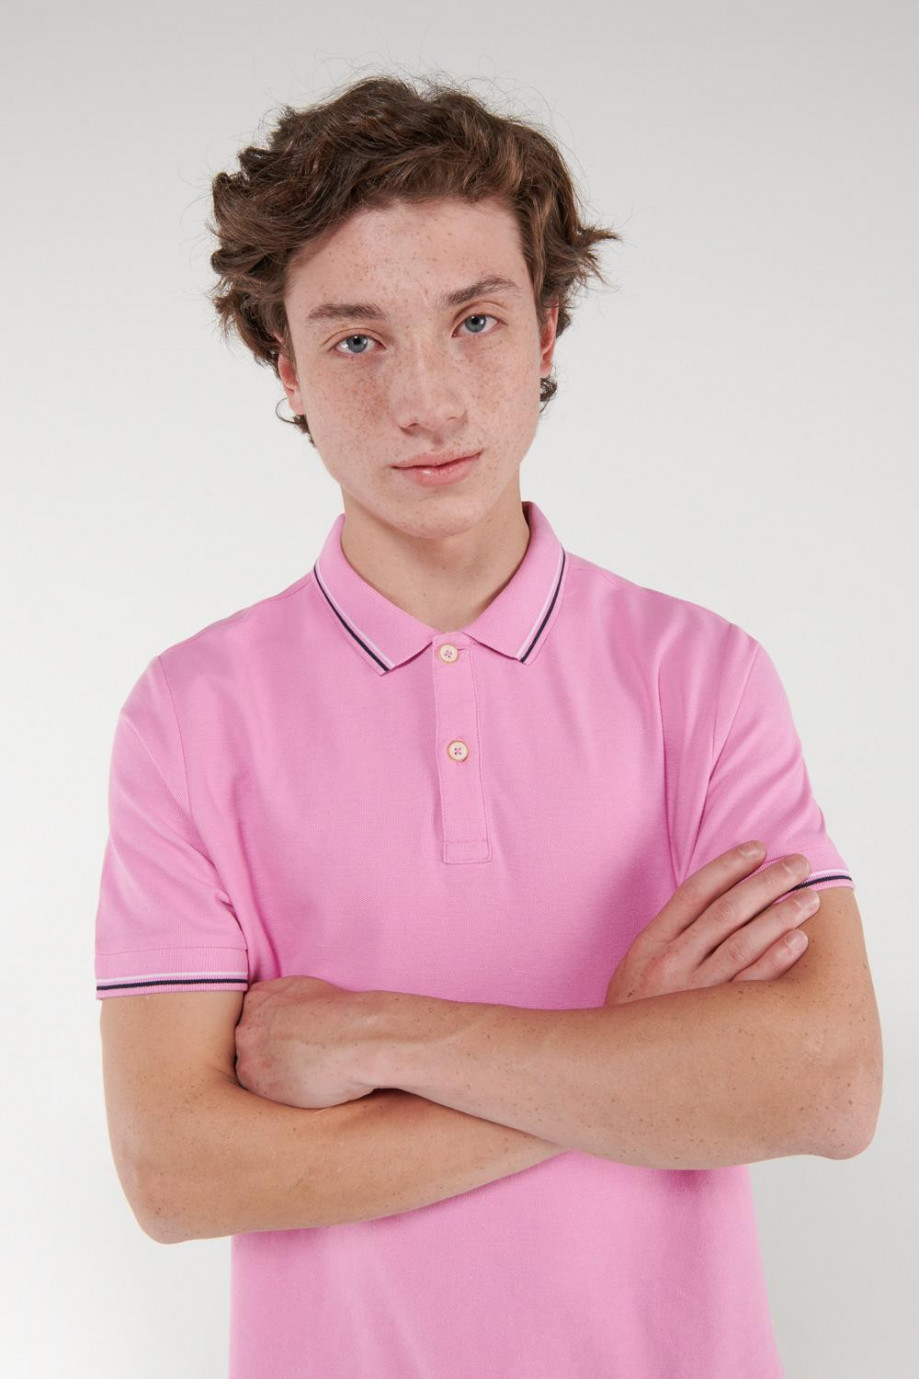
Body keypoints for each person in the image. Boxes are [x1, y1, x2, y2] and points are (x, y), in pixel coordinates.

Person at [95, 73, 882, 1379]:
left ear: (549, 328)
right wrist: (628, 1054)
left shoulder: (702, 677)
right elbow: (178, 1173)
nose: (430, 400)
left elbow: (830, 1087)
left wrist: (378, 1038)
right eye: (357, 340)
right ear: (283, 364)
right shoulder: (190, 715)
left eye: (474, 320)